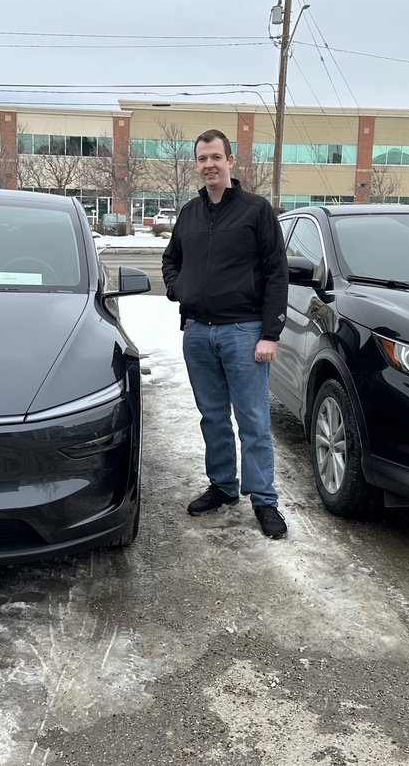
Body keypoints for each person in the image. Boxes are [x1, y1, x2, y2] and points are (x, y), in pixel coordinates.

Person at [161, 128, 289, 539]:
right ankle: (223, 486)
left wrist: (270, 334)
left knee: (253, 419)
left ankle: (264, 500)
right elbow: (171, 260)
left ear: (230, 161)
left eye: (216, 157)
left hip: (243, 332)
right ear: (196, 164)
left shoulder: (256, 210)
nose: (209, 165)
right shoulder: (189, 213)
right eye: (202, 159)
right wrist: (179, 289)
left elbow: (276, 273)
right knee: (212, 416)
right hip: (198, 333)